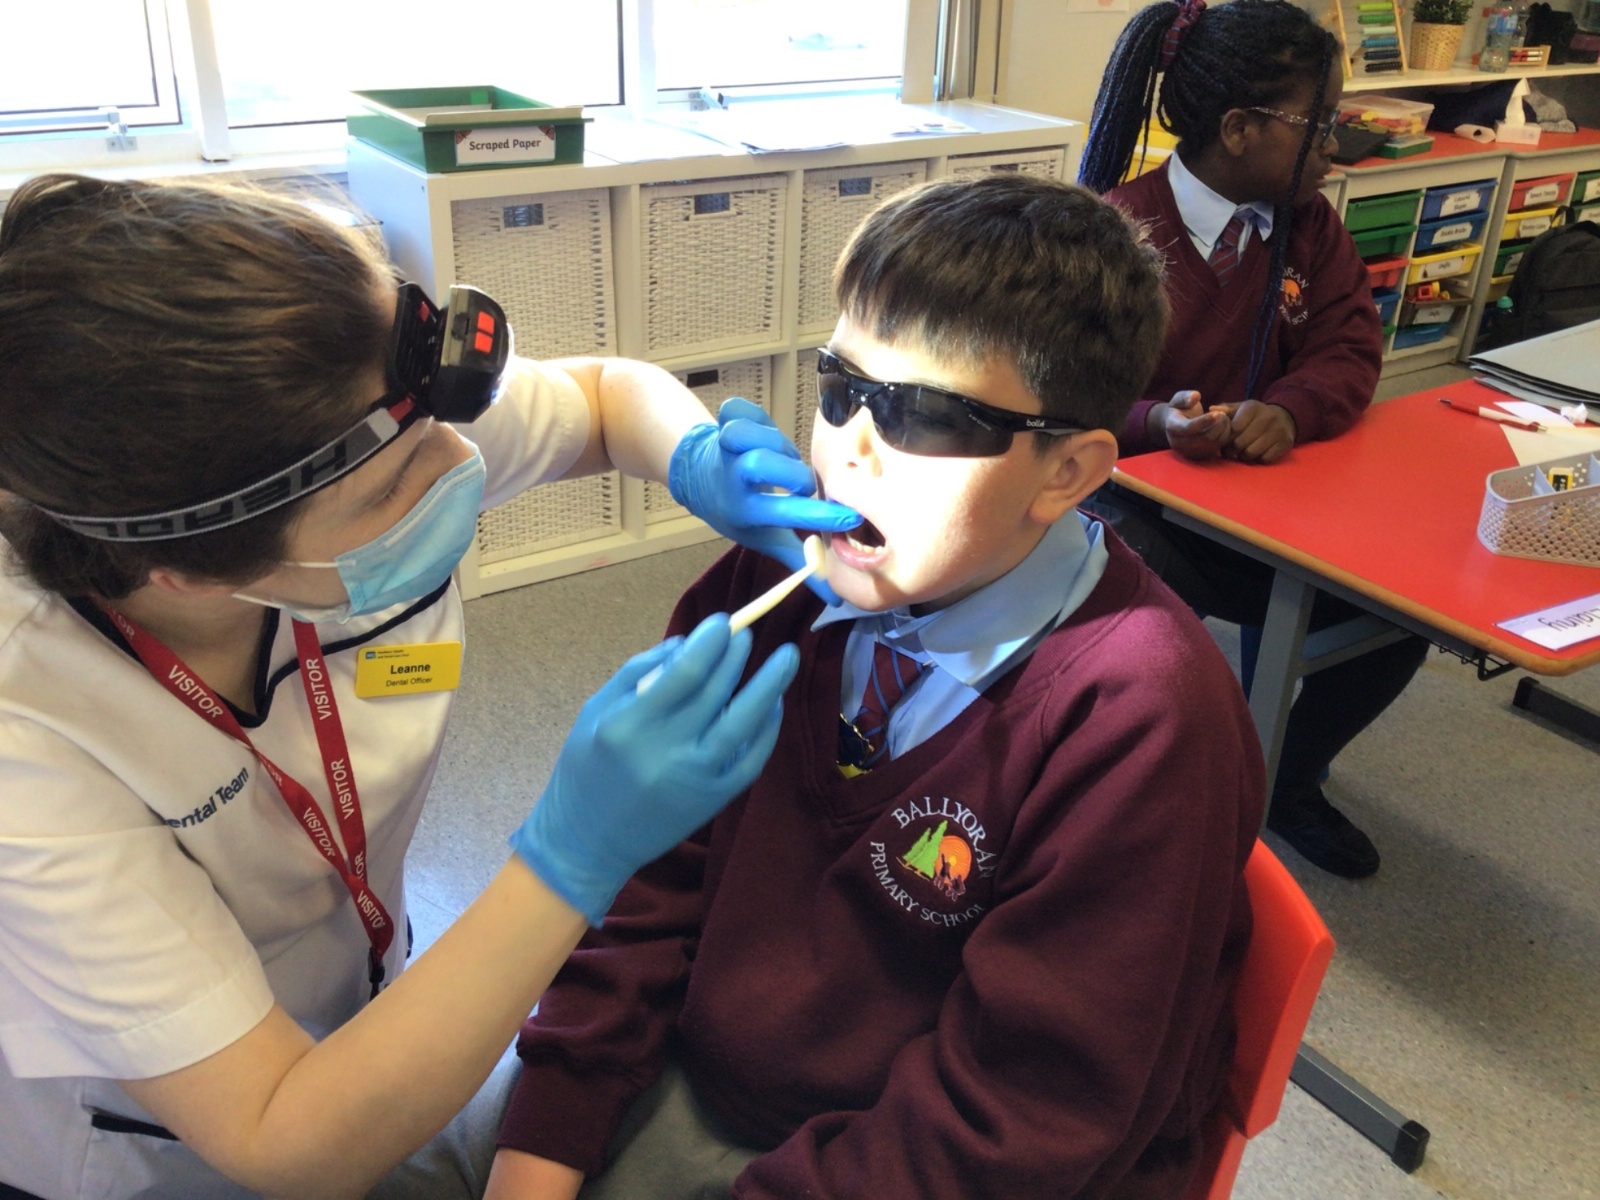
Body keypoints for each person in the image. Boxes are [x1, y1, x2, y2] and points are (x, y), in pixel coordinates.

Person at [0, 172, 860, 1200]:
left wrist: (690, 455)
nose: (460, 464)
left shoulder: (370, 415)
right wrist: (569, 859)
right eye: (394, 490)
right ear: (185, 572)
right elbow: (281, 1139)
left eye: (445, 430)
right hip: (162, 1143)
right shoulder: (27, 731)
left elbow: (598, 397)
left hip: (359, 988)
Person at [486, 175, 1267, 1200]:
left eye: (924, 416)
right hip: (697, 1079)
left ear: (1067, 473)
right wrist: (548, 1135)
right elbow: (649, 891)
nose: (847, 445)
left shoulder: (1140, 718)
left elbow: (1014, 1124)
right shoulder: (777, 584)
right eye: (840, 386)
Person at [1077, 0, 1430, 879]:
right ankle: (1116, 795)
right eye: (1320, 124)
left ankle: (1287, 780)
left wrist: (1295, 408)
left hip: (1274, 500)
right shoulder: (1117, 232)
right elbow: (1069, 393)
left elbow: (1350, 345)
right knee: (1132, 616)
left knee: (1398, 615)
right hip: (1145, 500)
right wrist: (1160, 423)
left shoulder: (1307, 222)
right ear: (1238, 129)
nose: (1335, 147)